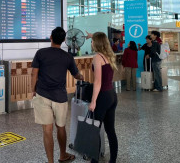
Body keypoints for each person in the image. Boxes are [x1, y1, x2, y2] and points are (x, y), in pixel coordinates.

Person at [31, 27, 84, 163]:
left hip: (42, 95)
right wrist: (81, 76)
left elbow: (34, 74)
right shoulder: (67, 56)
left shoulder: (41, 53)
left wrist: (33, 90)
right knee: (61, 127)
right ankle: (62, 155)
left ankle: (50, 161)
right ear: (64, 41)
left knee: (47, 130)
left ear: (51, 37)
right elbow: (75, 74)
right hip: (60, 97)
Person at [87, 32, 118, 163]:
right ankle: (113, 160)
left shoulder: (97, 57)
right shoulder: (109, 56)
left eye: (92, 41)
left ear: (96, 43)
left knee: (95, 130)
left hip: (102, 97)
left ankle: (94, 160)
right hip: (112, 95)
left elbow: (97, 82)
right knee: (110, 130)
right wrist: (92, 35)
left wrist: (93, 101)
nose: (91, 43)